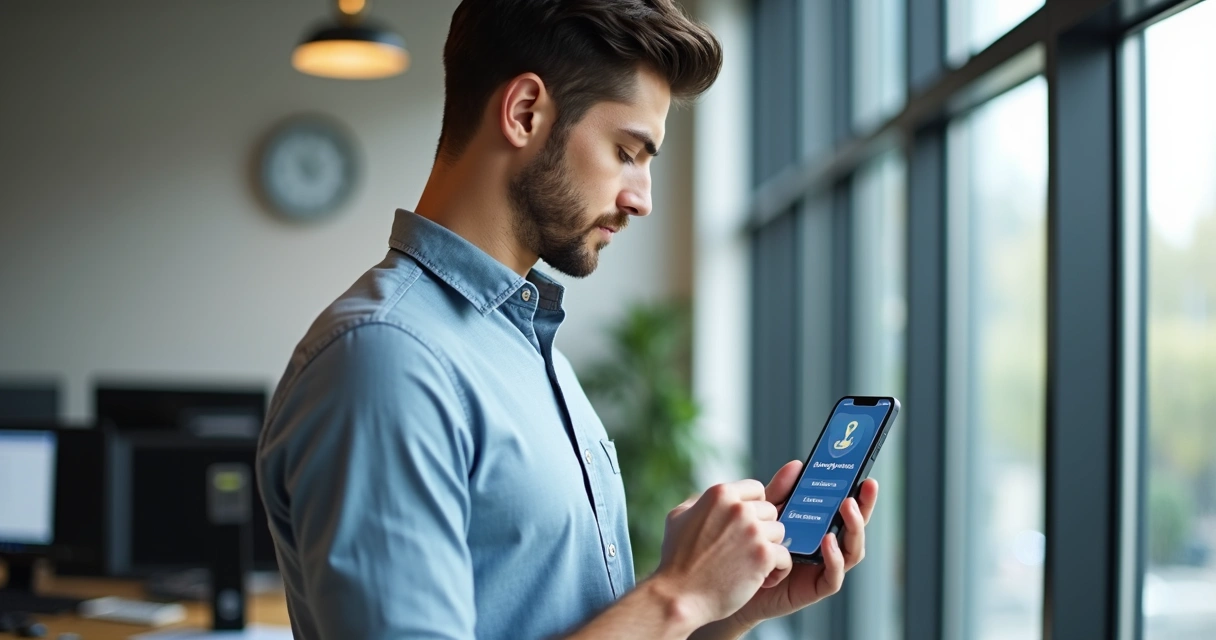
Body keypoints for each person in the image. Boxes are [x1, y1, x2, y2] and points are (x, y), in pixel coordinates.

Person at [255, 1, 879, 638]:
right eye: (627, 151)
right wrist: (676, 598)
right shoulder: (386, 361)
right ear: (526, 112)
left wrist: (723, 611)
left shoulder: (530, 348)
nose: (643, 199)